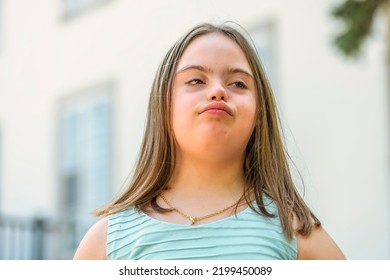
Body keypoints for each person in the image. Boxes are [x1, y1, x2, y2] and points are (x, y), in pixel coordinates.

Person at [73, 22, 345, 260]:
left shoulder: (294, 230)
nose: (217, 91)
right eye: (195, 80)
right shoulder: (106, 243)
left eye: (238, 83)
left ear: (259, 113)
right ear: (164, 105)